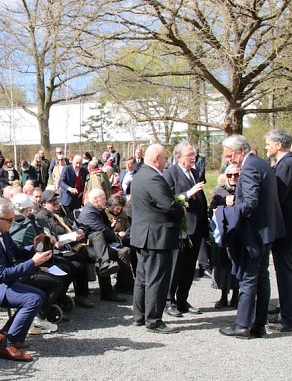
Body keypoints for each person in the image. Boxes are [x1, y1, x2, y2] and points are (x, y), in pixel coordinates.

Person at [0, 197, 54, 361]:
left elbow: (18, 251)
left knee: (39, 295)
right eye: (9, 219)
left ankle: (5, 334)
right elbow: (3, 274)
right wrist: (33, 262)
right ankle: (8, 344)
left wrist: (40, 245)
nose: (13, 222)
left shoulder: (1, 231)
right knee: (33, 299)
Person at [218, 134, 284, 339]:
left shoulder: (249, 167)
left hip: (255, 232)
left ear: (240, 151)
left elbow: (250, 202)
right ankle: (258, 324)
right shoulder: (261, 163)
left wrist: (230, 213)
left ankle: (243, 325)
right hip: (267, 230)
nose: (228, 160)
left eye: (229, 155)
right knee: (262, 277)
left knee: (249, 278)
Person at [129, 145, 186, 333]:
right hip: (155, 236)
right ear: (156, 158)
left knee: (143, 277)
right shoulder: (153, 178)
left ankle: (140, 315)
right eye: (165, 158)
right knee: (157, 279)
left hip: (143, 234)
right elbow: (168, 205)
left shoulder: (139, 176)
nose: (166, 162)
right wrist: (181, 209)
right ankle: (153, 320)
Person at [265, 128, 292, 333]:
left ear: (279, 145)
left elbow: (277, 196)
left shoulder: (287, 164)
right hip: (288, 228)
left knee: (286, 274)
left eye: (268, 143)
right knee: (286, 273)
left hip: (287, 229)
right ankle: (287, 314)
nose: (266, 146)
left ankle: (289, 318)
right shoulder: (289, 163)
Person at [162, 141, 207, 317]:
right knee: (176, 266)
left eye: (193, 154)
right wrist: (189, 193)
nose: (193, 158)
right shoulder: (170, 174)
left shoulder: (194, 172)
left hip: (196, 227)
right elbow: (168, 200)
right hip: (181, 228)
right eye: (189, 155)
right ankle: (168, 301)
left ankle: (182, 300)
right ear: (178, 157)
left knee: (189, 267)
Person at [77, 188, 136, 301]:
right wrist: (117, 237)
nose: (106, 201)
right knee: (109, 256)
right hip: (90, 247)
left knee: (126, 250)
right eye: (103, 198)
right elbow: (103, 230)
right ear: (95, 199)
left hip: (101, 244)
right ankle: (108, 292)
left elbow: (107, 228)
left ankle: (123, 285)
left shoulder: (98, 210)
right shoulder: (89, 212)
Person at [209, 167, 240, 308]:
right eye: (230, 174)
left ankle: (236, 295)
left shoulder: (244, 189)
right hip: (223, 234)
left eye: (236, 174)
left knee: (237, 264)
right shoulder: (219, 191)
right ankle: (223, 296)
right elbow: (211, 211)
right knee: (222, 265)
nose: (233, 177)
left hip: (238, 233)